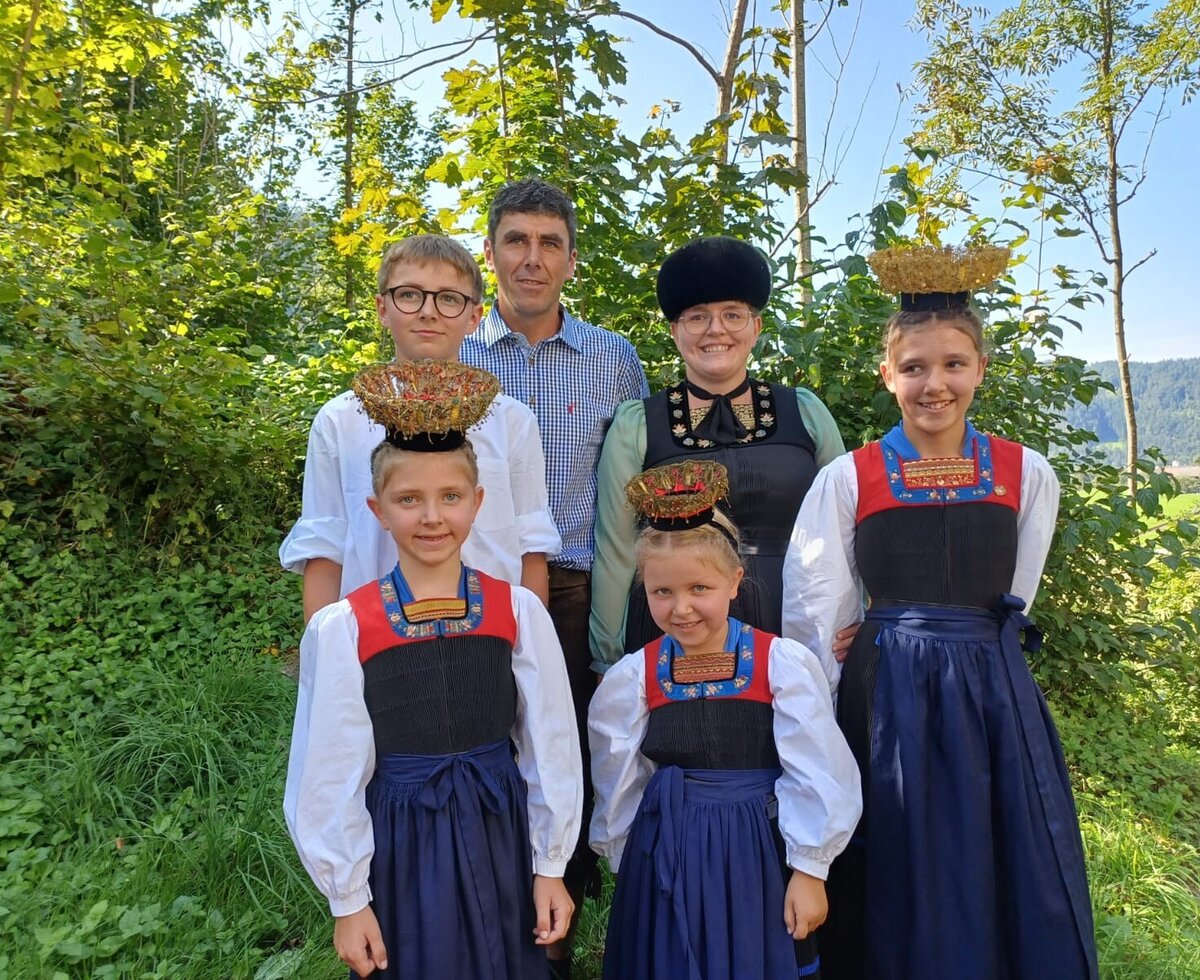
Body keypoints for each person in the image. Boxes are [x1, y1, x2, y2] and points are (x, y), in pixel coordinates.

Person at [781, 245, 1098, 979]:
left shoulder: (1026, 471)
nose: (935, 384)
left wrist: (973, 643)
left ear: (980, 368)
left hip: (992, 689)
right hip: (887, 693)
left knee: (998, 843)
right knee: (899, 846)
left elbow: (1019, 586)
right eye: (915, 367)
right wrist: (837, 688)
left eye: (954, 364)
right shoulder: (849, 476)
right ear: (887, 374)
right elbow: (816, 606)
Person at [284, 360, 582, 979]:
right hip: (402, 838)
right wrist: (348, 900)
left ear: (477, 503)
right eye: (409, 500)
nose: (432, 517)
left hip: (501, 829)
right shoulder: (348, 627)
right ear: (378, 509)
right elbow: (330, 766)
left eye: (450, 497)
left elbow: (549, 742)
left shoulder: (516, 611)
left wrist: (551, 865)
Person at [460, 178, 649, 977]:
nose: (532, 259)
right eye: (516, 240)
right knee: (478, 756)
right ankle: (470, 924)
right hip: (464, 588)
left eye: (550, 243)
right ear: (491, 252)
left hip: (573, 590)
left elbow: (639, 480)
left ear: (571, 260)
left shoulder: (613, 358)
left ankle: (553, 940)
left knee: (558, 759)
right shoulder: (453, 353)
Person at [589, 459, 861, 980]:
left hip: (756, 854)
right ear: (644, 589)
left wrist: (810, 869)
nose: (681, 608)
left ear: (735, 582)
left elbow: (817, 769)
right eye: (662, 592)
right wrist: (628, 858)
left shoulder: (780, 665)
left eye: (699, 588)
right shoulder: (634, 678)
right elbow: (618, 778)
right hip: (666, 851)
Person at [590, 235, 847, 681]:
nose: (716, 330)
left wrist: (850, 617)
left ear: (756, 327)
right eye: (697, 317)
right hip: (674, 629)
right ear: (675, 330)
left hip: (794, 620)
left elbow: (843, 529)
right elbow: (616, 548)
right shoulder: (637, 425)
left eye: (732, 314)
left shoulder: (805, 412)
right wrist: (608, 658)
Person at [281, 233, 560, 622]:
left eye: (449, 298)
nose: (428, 312)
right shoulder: (340, 421)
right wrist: (323, 649)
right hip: (372, 635)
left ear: (473, 317)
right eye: (410, 295)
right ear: (383, 308)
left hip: (488, 633)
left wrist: (528, 642)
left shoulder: (510, 421)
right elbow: (324, 548)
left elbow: (530, 545)